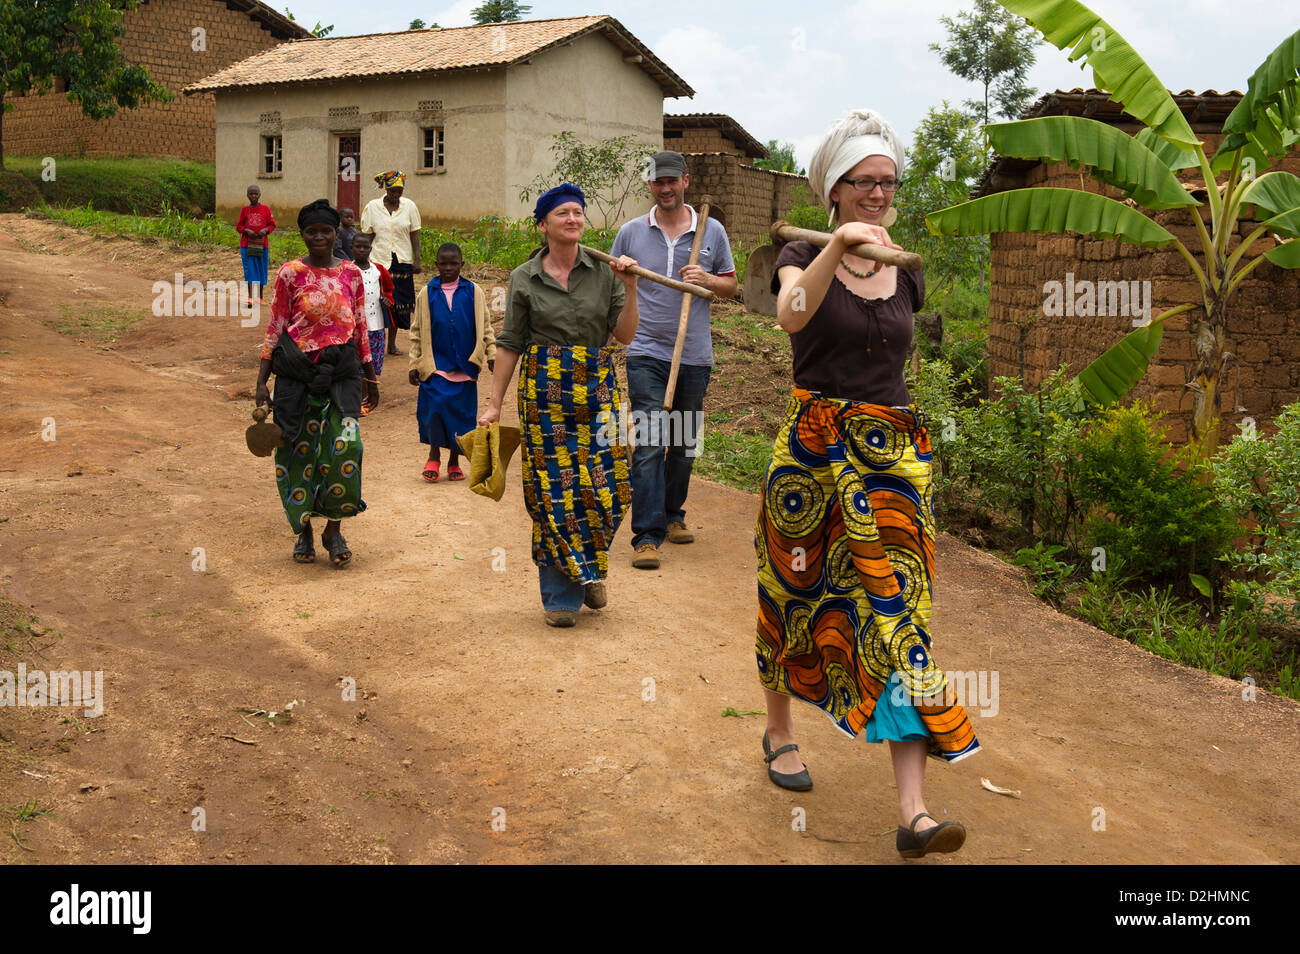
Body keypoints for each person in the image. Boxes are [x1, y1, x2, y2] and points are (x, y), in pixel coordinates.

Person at [754, 110, 980, 859]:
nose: (880, 194)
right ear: (836, 189)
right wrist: (835, 252)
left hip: (892, 458)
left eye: (889, 182)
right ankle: (779, 730)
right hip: (812, 452)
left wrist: (909, 455)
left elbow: (900, 363)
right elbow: (791, 317)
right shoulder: (796, 250)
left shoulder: (908, 267)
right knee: (794, 595)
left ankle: (914, 810)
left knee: (898, 615)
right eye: (865, 183)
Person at [478, 184, 639, 627]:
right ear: (543, 224)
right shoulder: (524, 277)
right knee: (554, 494)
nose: (573, 219)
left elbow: (623, 335)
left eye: (578, 212)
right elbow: (510, 343)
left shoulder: (605, 273)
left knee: (609, 484)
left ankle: (590, 568)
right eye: (563, 213)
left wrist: (629, 285)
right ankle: (560, 594)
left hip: (597, 390)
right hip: (545, 396)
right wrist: (494, 405)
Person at [610, 151, 737, 570]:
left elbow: (732, 287)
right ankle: (646, 535)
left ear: (685, 181)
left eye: (672, 181)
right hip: (646, 350)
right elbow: (611, 281)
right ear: (650, 185)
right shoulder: (630, 232)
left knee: (682, 442)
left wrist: (708, 280)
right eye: (657, 182)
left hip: (694, 354)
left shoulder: (711, 231)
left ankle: (673, 514)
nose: (665, 189)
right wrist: (623, 275)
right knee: (649, 441)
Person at [254, 199, 379, 568]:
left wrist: (370, 376)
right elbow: (275, 327)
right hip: (297, 375)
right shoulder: (289, 274)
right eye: (312, 231)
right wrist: (262, 381)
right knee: (297, 453)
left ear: (336, 232)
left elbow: (359, 326)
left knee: (346, 449)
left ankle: (334, 529)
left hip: (341, 374)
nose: (320, 237)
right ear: (303, 234)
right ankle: (305, 530)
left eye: (327, 230)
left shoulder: (351, 274)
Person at [408, 243, 496, 482]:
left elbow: (486, 327)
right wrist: (414, 363)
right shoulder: (427, 293)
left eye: (453, 263)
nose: (448, 268)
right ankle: (434, 455)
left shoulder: (474, 291)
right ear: (436, 265)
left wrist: (491, 355)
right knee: (434, 410)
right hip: (435, 364)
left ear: (461, 265)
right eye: (443, 263)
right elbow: (417, 332)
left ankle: (454, 461)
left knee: (461, 415)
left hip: (465, 365)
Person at [360, 170, 422, 357]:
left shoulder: (409, 206)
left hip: (402, 261)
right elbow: (367, 236)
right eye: (393, 190)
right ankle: (373, 342)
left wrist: (417, 258)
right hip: (379, 262)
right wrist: (361, 262)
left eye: (399, 190)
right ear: (386, 189)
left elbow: (414, 234)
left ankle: (392, 344)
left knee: (398, 304)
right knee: (377, 302)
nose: (397, 194)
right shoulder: (373, 207)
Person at [349, 231, 394, 385]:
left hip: (377, 323)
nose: (362, 250)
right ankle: (360, 391)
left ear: (370, 249)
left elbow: (388, 289)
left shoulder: (378, 270)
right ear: (351, 248)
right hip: (355, 325)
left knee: (374, 358)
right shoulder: (347, 270)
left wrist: (387, 300)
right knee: (356, 358)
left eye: (365, 247)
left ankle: (369, 387)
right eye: (358, 246)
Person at [236, 185, 275, 298]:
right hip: (247, 245)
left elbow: (272, 225)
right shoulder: (245, 210)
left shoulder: (265, 209)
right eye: (251, 193)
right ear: (247, 195)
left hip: (262, 245)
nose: (253, 196)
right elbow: (239, 226)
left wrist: (265, 230)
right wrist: (247, 230)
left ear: (259, 195)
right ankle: (250, 297)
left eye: (255, 193)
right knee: (250, 271)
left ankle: (260, 296)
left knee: (261, 269)